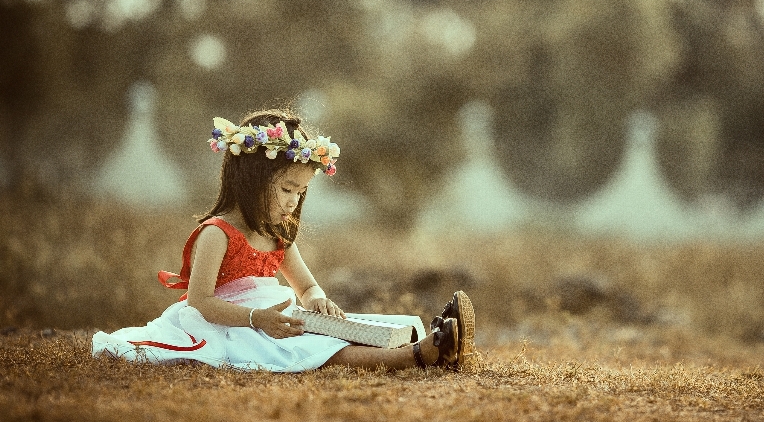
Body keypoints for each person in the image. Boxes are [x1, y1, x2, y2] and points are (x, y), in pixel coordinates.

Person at [92, 109, 476, 372]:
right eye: (287, 188)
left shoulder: (279, 235)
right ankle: (420, 356)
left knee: (345, 329)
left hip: (279, 320)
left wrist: (316, 299)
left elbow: (305, 284)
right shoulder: (217, 233)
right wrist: (255, 318)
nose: (294, 200)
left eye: (300, 192)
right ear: (252, 179)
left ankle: (433, 337)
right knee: (315, 351)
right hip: (230, 327)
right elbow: (199, 300)